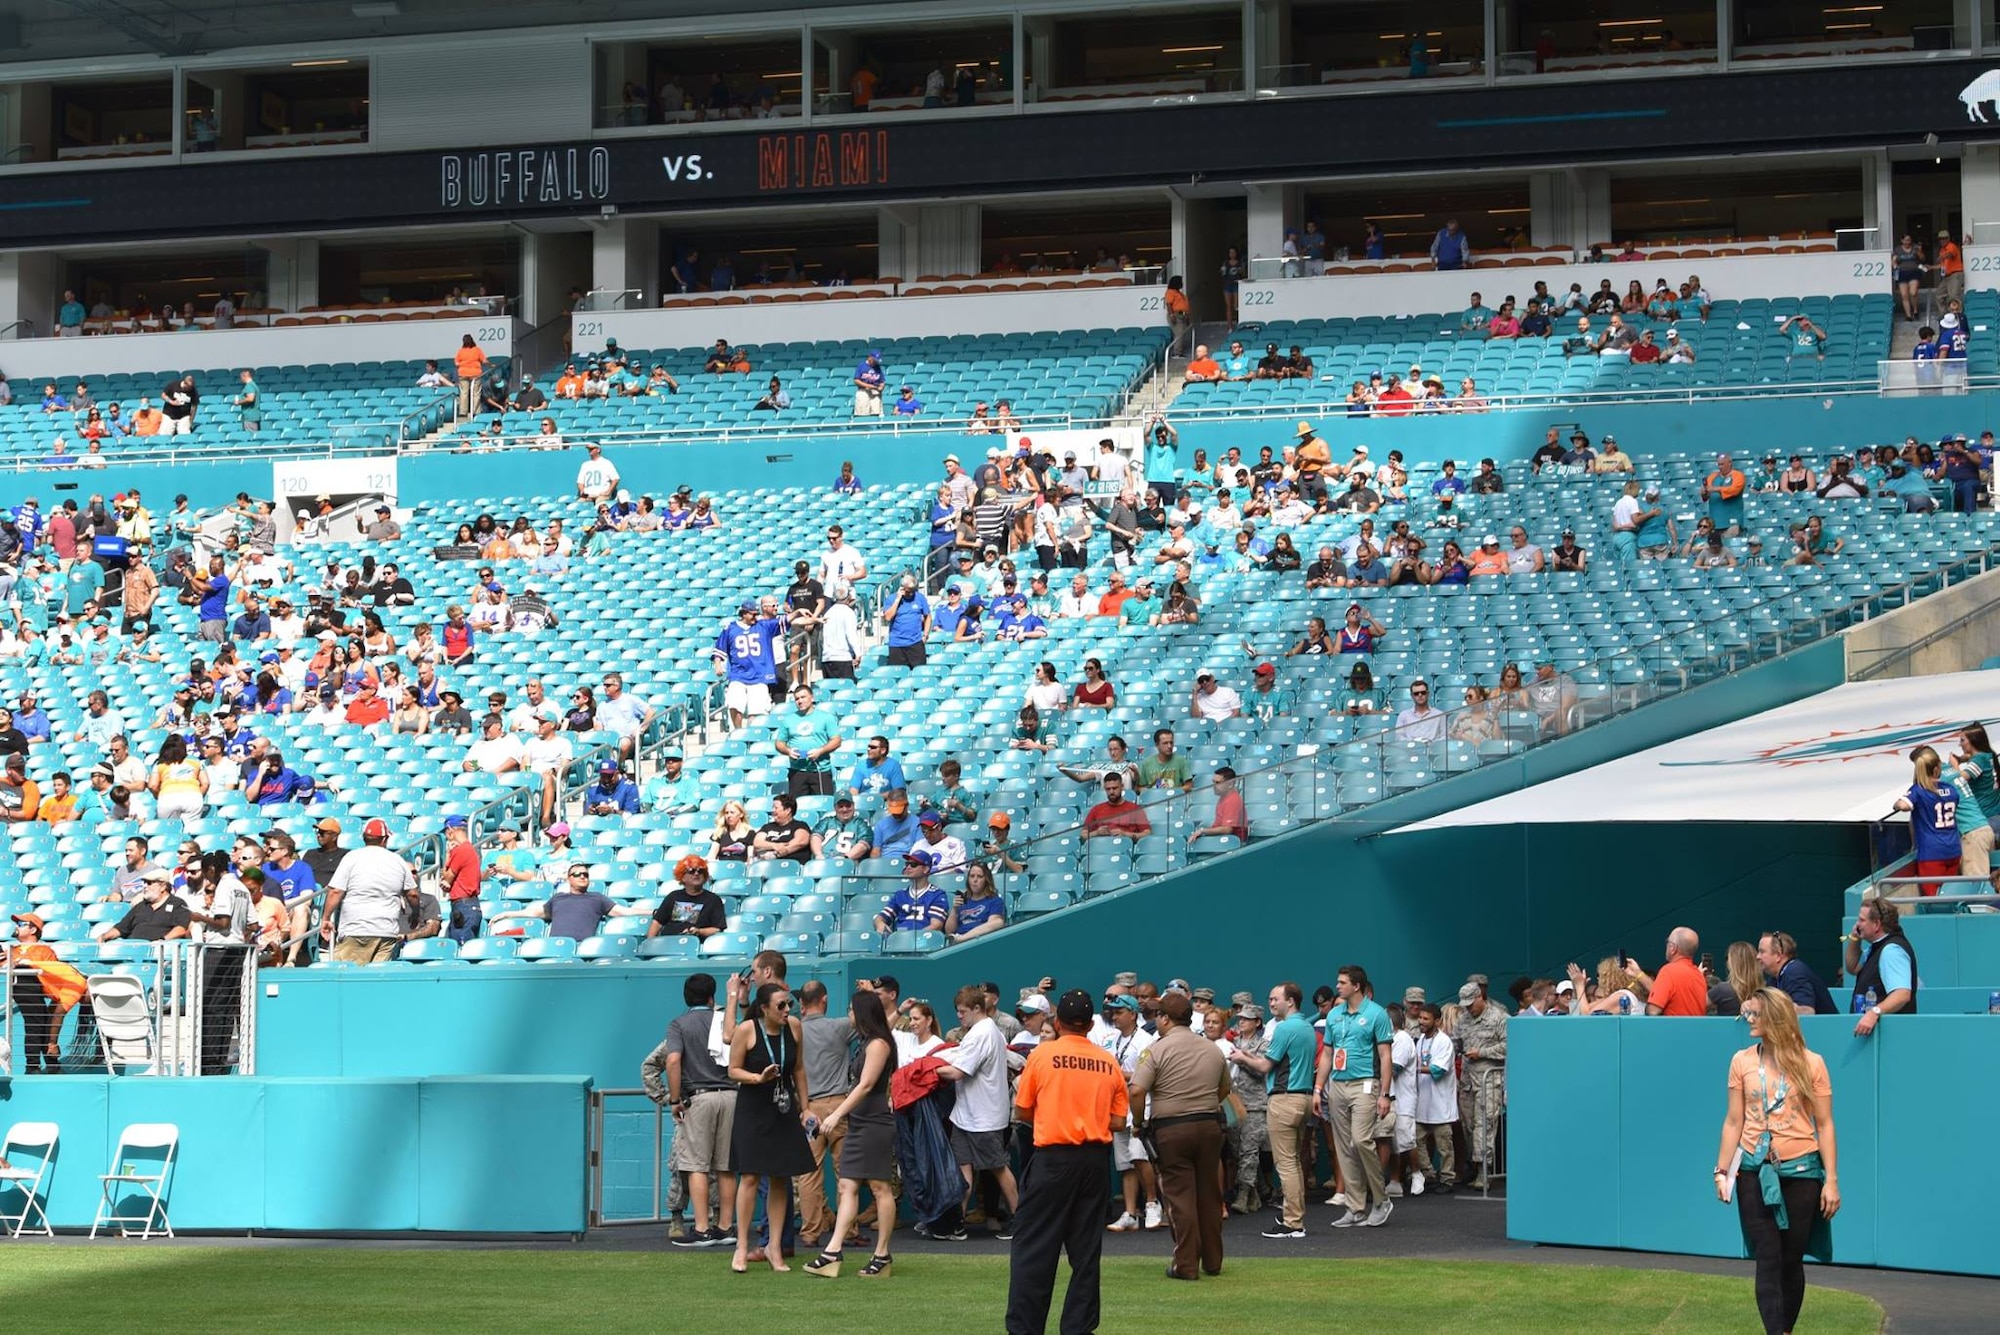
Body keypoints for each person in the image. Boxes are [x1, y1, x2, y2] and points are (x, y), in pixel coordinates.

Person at [1714, 989, 1839, 1335]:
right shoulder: (1741, 1061)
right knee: (1767, 1255)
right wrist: (1721, 1170)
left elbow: (1825, 1124)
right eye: (1748, 1014)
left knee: (1789, 1258)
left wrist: (1831, 1180)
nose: (1749, 1020)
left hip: (1802, 1170)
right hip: (1754, 1170)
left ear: (1775, 1018)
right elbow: (1733, 1121)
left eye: (1756, 1014)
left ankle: (1784, 1329)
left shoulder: (1812, 1063)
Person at [1006, 989, 1128, 1335]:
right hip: (1093, 1162)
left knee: (1033, 1250)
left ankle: (1025, 1329)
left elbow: (1023, 1110)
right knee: (1086, 1254)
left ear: (1057, 1022)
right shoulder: (1108, 1061)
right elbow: (1119, 1121)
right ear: (1091, 1024)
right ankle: (1078, 1329)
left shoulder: (1043, 1056)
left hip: (1053, 1158)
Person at [1131, 990, 1232, 1281]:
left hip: (1172, 1128)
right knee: (1209, 1194)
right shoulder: (1211, 1048)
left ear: (1164, 1018)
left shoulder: (1156, 1049)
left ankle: (1186, 1264)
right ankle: (1213, 1260)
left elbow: (1136, 1090)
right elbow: (1224, 1089)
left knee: (1179, 1196)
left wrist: (1139, 1122)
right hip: (1210, 1124)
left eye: (1157, 1014)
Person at [804, 988, 900, 1280]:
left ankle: (882, 1255)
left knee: (880, 1188)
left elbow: (867, 1084)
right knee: (847, 1186)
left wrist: (836, 1114)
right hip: (860, 1124)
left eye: (851, 1009)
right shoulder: (866, 1042)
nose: (847, 1015)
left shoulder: (879, 1043)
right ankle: (833, 1251)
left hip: (874, 1124)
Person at [726, 981, 815, 1272]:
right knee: (750, 1177)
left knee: (781, 1178)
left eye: (789, 1004)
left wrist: (806, 1107)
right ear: (764, 1008)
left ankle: (774, 1247)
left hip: (784, 1108)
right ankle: (741, 1247)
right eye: (781, 1005)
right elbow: (733, 1070)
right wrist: (757, 1078)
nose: (787, 1009)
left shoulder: (795, 1027)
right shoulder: (747, 1029)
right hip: (753, 1108)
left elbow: (799, 1069)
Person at [654, 973, 739, 1248]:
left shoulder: (679, 1024)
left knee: (696, 1166)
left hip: (699, 1098)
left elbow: (673, 1060)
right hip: (731, 1095)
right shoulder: (723, 1018)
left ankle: (701, 1229)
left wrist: (676, 1098)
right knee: (726, 1166)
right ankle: (725, 1227)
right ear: (712, 997)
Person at [1228, 980, 1318, 1239]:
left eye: (1274, 998)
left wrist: (1241, 1057)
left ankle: (1292, 1223)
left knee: (1286, 1164)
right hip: (1303, 1099)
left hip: (1285, 1100)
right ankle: (1294, 1215)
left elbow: (1266, 1066)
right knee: (1295, 1163)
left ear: (1290, 1001)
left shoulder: (1284, 1029)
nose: (1271, 1003)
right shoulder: (1306, 1028)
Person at [936, 984, 1021, 1241]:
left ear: (976, 1008)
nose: (959, 1016)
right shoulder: (981, 1031)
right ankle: (957, 1223)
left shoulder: (982, 1033)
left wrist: (926, 1068)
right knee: (964, 1167)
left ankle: (1021, 1221)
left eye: (962, 1011)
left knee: (998, 1167)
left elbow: (957, 1072)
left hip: (984, 1116)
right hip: (967, 1114)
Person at [1317, 963, 1396, 1229]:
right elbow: (1327, 1054)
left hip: (1365, 1084)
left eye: (1341, 982)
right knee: (1344, 1146)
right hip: (1337, 1084)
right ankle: (1355, 1207)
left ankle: (1381, 1200)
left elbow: (1386, 1056)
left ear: (1356, 986)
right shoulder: (1334, 1015)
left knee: (1361, 1140)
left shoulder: (1377, 1014)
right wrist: (1318, 1090)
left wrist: (1385, 1094)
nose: (1337, 986)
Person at [319, 817, 417, 964]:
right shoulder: (397, 860)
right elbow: (413, 894)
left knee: (350, 979)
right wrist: (415, 913)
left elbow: (335, 891)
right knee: (376, 981)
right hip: (386, 931)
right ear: (384, 840)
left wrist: (326, 918)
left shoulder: (351, 857)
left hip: (355, 928)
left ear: (364, 839)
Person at [1454, 980, 1507, 1190]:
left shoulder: (1499, 1017)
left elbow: (1510, 1044)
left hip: (1489, 1079)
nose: (1468, 1008)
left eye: (1471, 1003)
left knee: (1484, 1125)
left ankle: (1483, 1171)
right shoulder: (1463, 1019)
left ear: (1480, 997)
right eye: (1465, 1004)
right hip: (1468, 1081)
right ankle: (1474, 1165)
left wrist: (1482, 1053)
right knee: (1469, 1125)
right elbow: (1455, 1042)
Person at [1892, 743, 1961, 895]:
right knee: (1951, 895)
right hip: (1954, 849)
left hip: (1932, 854)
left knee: (1933, 900)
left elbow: (1903, 805)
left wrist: (1896, 804)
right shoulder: (1950, 789)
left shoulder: (1918, 790)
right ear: (1937, 769)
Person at [1844, 898, 1916, 1035]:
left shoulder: (1891, 951)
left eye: (1861, 920)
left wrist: (1874, 1012)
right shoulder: (1876, 947)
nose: (1857, 924)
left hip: (1890, 1035)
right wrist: (1855, 938)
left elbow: (1902, 994)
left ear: (1877, 924)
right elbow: (1853, 967)